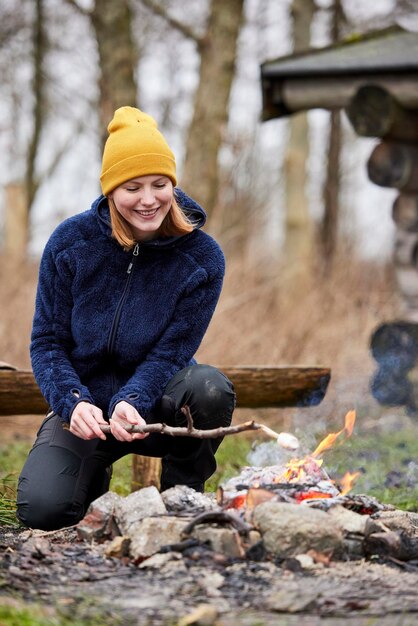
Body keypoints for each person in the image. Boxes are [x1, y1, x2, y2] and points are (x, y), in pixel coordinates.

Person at [17, 107, 236, 531]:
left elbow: (174, 350)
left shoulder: (202, 257)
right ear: (110, 190)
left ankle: (181, 505)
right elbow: (46, 342)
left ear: (173, 184)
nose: (149, 199)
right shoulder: (70, 243)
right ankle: (91, 477)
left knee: (208, 387)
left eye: (160, 184)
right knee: (43, 511)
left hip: (155, 407)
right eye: (132, 187)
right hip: (85, 411)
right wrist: (71, 401)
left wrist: (132, 400)